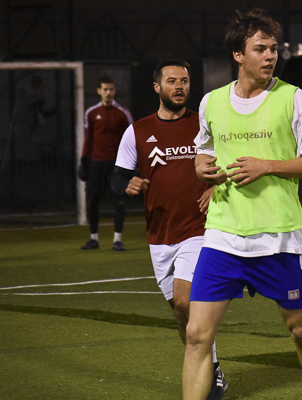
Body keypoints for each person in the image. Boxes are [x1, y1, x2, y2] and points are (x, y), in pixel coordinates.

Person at [182, 8, 302, 400]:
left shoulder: (295, 100)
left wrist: (268, 165)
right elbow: (203, 150)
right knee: (197, 335)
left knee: (300, 331)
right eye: (260, 49)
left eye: (273, 49)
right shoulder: (212, 102)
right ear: (238, 55)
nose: (270, 56)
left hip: (278, 238)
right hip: (223, 236)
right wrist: (202, 168)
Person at [111, 59, 227, 400]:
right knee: (180, 312)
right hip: (160, 234)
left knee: (184, 299)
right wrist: (128, 184)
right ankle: (211, 366)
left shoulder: (203, 124)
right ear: (157, 87)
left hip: (200, 229)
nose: (179, 86)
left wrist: (216, 187)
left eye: (185, 81)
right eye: (172, 81)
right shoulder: (137, 131)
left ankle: (208, 377)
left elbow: (229, 160)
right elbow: (117, 177)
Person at [79, 76, 133, 251]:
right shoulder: (91, 113)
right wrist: (84, 161)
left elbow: (130, 140)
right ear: (99, 91)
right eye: (105, 89)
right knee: (92, 201)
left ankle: (117, 240)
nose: (108, 93)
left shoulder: (122, 113)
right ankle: (93, 239)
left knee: (118, 201)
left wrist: (131, 164)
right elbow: (88, 138)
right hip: (96, 164)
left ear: (114, 91)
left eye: (111, 89)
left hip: (116, 166)